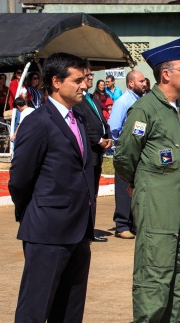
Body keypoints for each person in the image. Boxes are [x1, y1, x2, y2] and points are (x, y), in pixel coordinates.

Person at [9, 52, 99, 323]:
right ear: (56, 82)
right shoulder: (39, 121)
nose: (84, 85)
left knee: (71, 300)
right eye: (78, 79)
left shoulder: (78, 116)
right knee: (36, 303)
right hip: (47, 226)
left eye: (85, 78)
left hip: (78, 227)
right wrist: (32, 211)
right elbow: (20, 179)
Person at [114, 37, 180, 323]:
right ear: (166, 74)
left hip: (178, 198)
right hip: (156, 195)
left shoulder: (179, 106)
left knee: (178, 262)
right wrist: (137, 183)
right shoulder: (145, 108)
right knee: (155, 263)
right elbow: (125, 155)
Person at [75, 66, 113, 243]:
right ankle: (84, 231)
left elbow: (103, 121)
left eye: (91, 75)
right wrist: (98, 140)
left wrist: (109, 138)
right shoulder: (78, 100)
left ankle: (90, 230)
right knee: (87, 193)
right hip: (89, 151)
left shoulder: (92, 98)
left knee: (94, 193)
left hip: (99, 152)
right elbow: (84, 125)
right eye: (87, 75)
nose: (90, 78)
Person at [109, 70, 147, 239]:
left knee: (135, 188)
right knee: (124, 189)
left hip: (137, 151)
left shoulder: (140, 101)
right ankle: (122, 224)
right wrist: (124, 144)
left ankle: (132, 223)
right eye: (141, 81)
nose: (144, 83)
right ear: (131, 83)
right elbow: (114, 128)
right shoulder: (123, 102)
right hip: (126, 151)